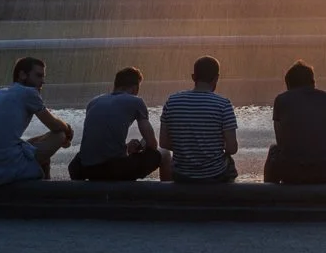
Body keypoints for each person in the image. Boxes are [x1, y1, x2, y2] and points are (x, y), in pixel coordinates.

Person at [0, 56, 73, 184]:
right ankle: (46, 193)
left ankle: (44, 180)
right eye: (38, 76)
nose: (43, 81)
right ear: (22, 75)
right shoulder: (28, 93)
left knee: (36, 148)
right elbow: (53, 124)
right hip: (7, 162)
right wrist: (68, 130)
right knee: (60, 135)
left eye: (43, 77)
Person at [67, 67, 170, 182]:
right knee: (164, 154)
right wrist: (141, 147)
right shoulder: (136, 101)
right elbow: (152, 144)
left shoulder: (94, 102)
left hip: (86, 169)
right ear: (136, 88)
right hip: (114, 170)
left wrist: (125, 148)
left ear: (115, 85)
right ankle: (167, 197)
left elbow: (100, 141)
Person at [263, 60, 326, 184]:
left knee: (273, 149)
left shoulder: (281, 100)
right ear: (312, 82)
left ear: (288, 84)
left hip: (290, 172)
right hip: (325, 170)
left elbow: (280, 141)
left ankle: (268, 196)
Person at [157, 56, 238, 184]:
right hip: (215, 175)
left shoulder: (172, 102)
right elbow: (232, 148)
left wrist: (186, 147)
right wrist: (212, 146)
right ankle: (227, 200)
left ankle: (171, 199)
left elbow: (164, 143)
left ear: (193, 77)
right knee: (229, 162)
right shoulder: (223, 104)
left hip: (181, 174)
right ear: (216, 78)